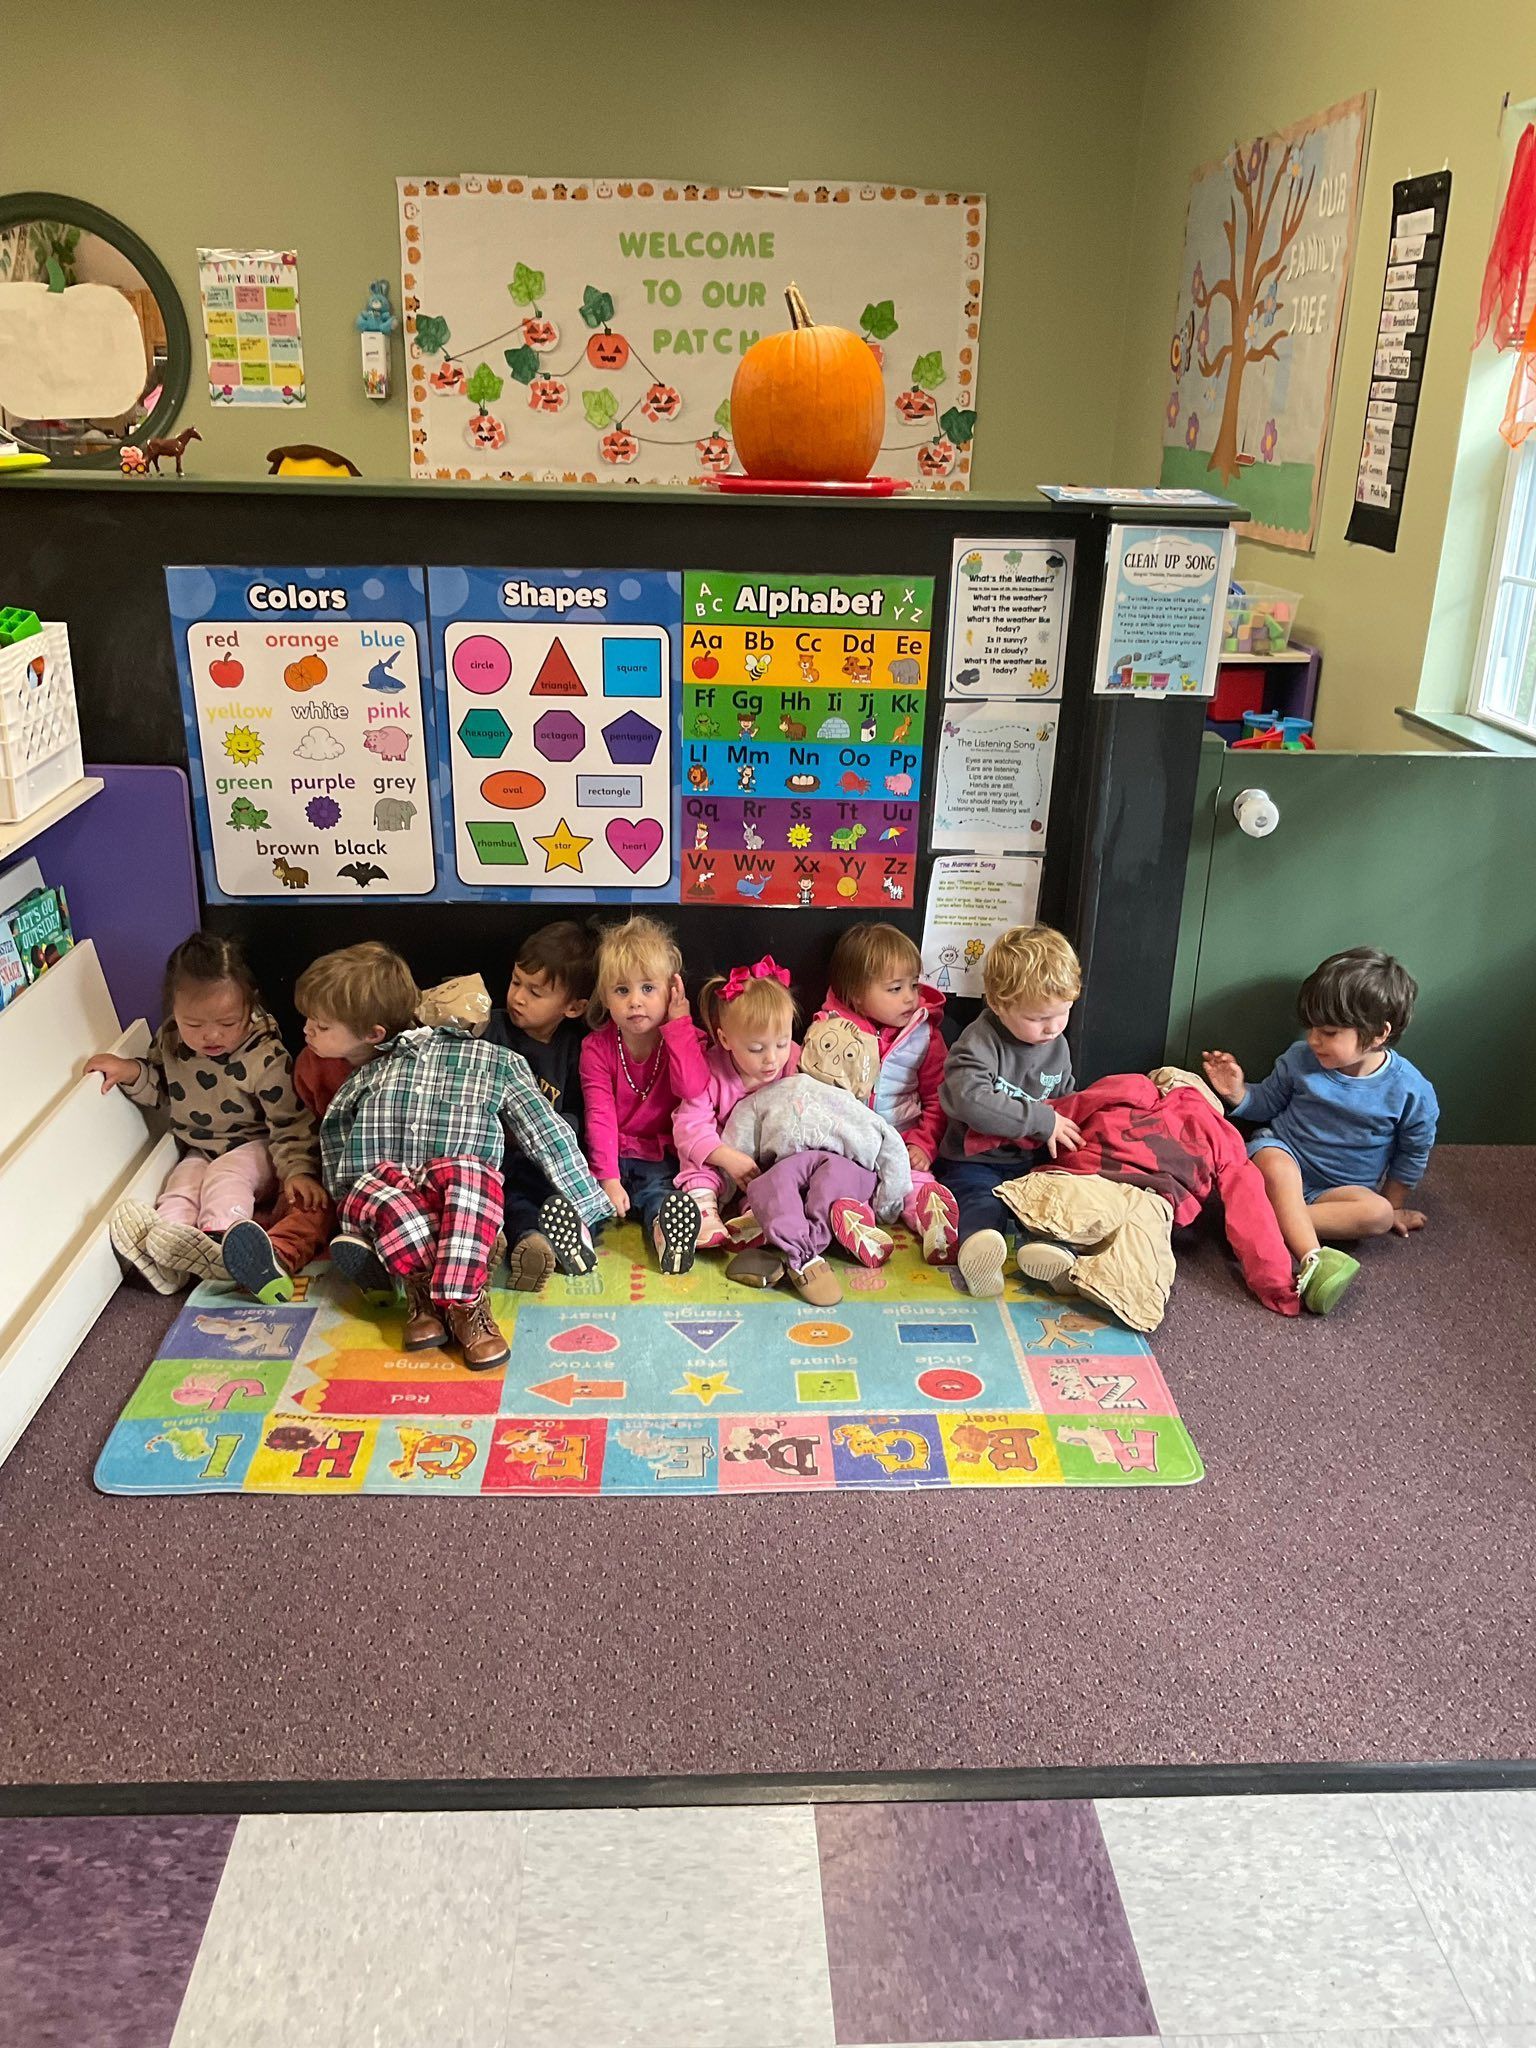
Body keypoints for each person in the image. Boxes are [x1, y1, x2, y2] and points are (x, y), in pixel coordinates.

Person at [320, 945, 611, 1369]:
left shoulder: (499, 1061)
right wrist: (341, 1193)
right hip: (389, 1187)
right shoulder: (379, 1066)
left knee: (476, 1175)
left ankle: (464, 1304)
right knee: (379, 1192)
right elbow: (335, 1127)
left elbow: (544, 1128)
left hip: (457, 1192)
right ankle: (425, 1294)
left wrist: (587, 1202)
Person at [1202, 946, 1438, 1315]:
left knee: (1378, 1215)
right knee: (1275, 1161)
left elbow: (1413, 1152)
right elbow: (1267, 1103)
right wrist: (1238, 1092)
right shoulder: (1300, 1059)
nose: (1314, 1040)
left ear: (1378, 1034)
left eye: (1328, 1032)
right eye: (1312, 1028)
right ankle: (1312, 1258)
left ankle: (1264, 1222)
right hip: (1284, 1158)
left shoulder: (1410, 1090)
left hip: (1337, 1193)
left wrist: (1394, 1206)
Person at [92, 933, 322, 1295]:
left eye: (227, 1023)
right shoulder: (170, 1039)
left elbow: (290, 1124)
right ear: (174, 1013)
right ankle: (169, 1256)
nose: (210, 1035)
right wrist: (132, 1072)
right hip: (200, 1147)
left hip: (256, 1147)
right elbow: (162, 1088)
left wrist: (297, 1172)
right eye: (194, 1025)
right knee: (180, 1187)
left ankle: (225, 1244)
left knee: (224, 1175)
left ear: (249, 1009)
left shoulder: (265, 1055)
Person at [214, 942, 420, 1303]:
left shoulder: (411, 1066)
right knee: (307, 1208)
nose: (306, 1030)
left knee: (405, 1218)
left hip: (394, 1180)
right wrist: (300, 1174)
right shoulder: (314, 1063)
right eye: (308, 1019)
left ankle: (384, 1271)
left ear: (373, 1034)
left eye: (322, 1026)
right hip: (332, 1174)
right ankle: (274, 1259)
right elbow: (300, 1128)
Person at [938, 923, 1084, 1298]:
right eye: (1038, 1018)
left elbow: (1064, 1101)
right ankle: (979, 1254)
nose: (1053, 1028)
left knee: (1054, 1206)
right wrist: (1039, 1120)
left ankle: (1050, 1255)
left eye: (1063, 1013)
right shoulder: (980, 1041)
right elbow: (969, 1099)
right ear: (1000, 1004)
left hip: (1032, 1164)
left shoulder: (1057, 1045)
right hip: (976, 1162)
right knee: (981, 1205)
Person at [815, 923, 961, 1264]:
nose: (911, 997)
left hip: (903, 1137)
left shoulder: (924, 1036)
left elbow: (939, 1099)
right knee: (842, 1183)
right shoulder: (829, 1032)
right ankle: (857, 1225)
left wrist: (924, 1143)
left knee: (916, 1179)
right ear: (856, 994)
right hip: (850, 1145)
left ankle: (933, 1218)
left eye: (913, 984)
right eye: (895, 988)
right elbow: (816, 1098)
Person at [578, 914, 710, 1274]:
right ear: (605, 997)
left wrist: (679, 1026)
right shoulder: (596, 1048)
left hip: (659, 1154)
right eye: (622, 991)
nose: (635, 1001)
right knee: (584, 1194)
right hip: (608, 1153)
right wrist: (607, 1178)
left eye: (648, 989)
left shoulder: (684, 1039)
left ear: (672, 991)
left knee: (661, 1196)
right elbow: (599, 1115)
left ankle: (666, 1235)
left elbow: (694, 1090)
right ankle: (577, 1240)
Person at [484, 920, 597, 1290]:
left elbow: (577, 1116)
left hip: (535, 1161)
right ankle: (486, 1244)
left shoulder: (573, 1050)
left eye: (535, 992)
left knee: (541, 1194)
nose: (517, 997)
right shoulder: (492, 1029)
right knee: (486, 1192)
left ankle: (536, 1242)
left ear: (573, 1007)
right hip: (490, 1152)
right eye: (516, 982)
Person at [672, 954, 798, 1248]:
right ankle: (703, 1211)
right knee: (696, 1163)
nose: (771, 1059)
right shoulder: (712, 1070)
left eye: (781, 1042)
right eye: (756, 1048)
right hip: (723, 1158)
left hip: (767, 1158)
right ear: (725, 1040)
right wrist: (725, 1157)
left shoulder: (792, 1060)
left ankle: (756, 1216)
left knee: (788, 1170)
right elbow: (689, 1125)